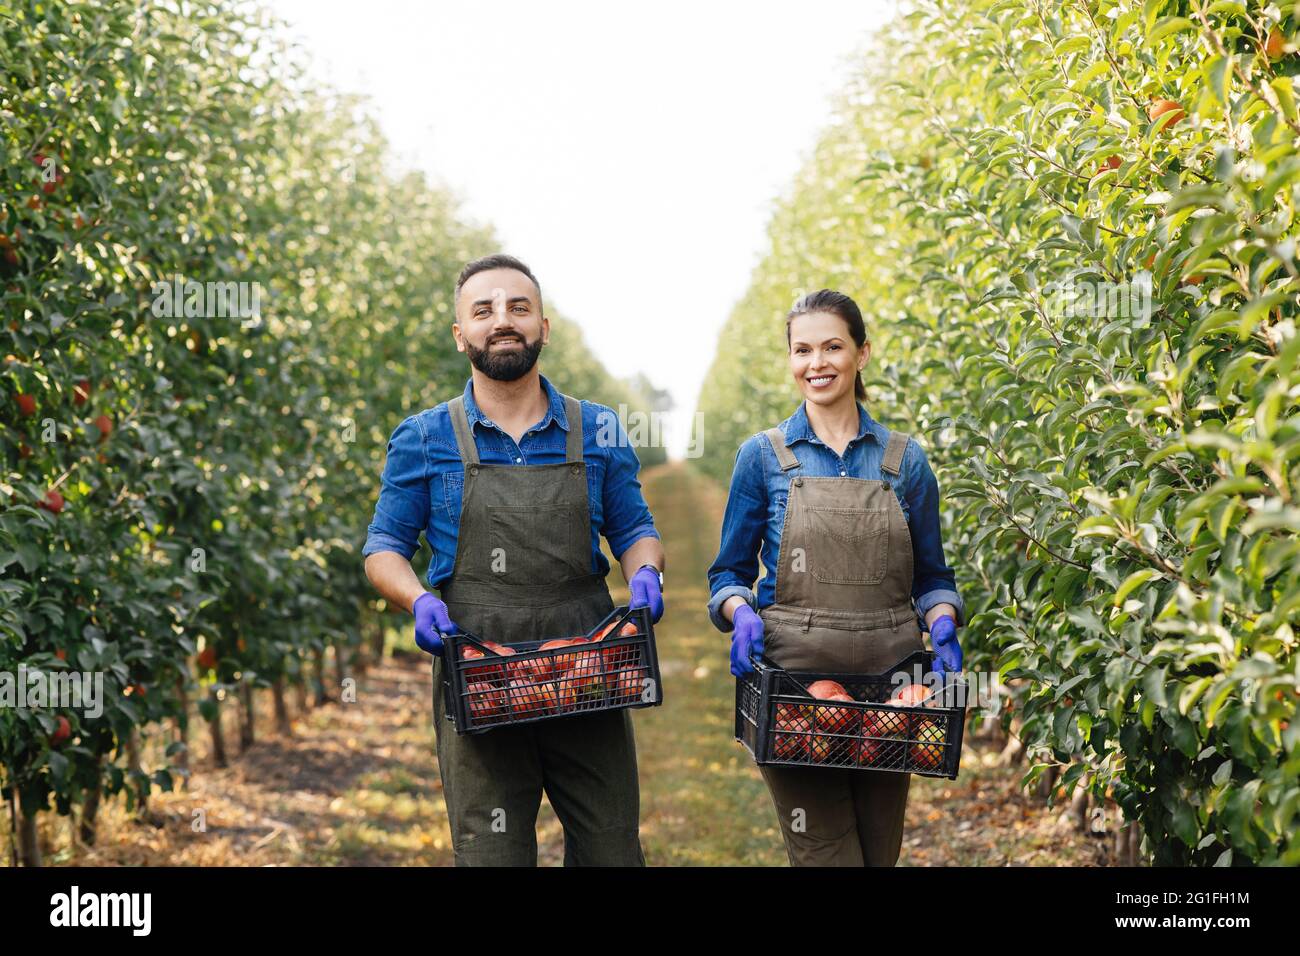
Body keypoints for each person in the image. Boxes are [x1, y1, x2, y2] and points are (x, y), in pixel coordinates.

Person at [363, 253, 665, 866]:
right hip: (479, 668)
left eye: (518, 307)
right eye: (484, 310)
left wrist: (645, 573)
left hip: (587, 663)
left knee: (611, 849)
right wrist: (418, 600)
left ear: (542, 327)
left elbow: (634, 528)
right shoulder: (424, 437)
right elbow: (384, 548)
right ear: (461, 335)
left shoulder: (597, 427)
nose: (503, 320)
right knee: (491, 852)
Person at [706, 288, 963, 867]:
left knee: (878, 853)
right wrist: (739, 612)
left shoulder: (904, 461)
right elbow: (728, 573)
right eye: (802, 350)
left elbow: (932, 575)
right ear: (790, 359)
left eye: (832, 347)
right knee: (826, 852)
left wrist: (944, 618)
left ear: (861, 353)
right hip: (795, 691)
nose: (816, 363)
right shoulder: (763, 457)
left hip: (893, 694)